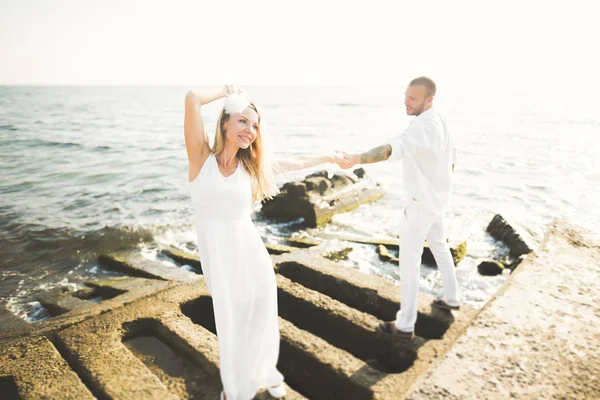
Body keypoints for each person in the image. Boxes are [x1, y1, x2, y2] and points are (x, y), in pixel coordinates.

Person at [184, 85, 349, 400]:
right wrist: (226, 92)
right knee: (232, 320)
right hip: (219, 256)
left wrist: (328, 156)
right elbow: (192, 98)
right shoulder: (201, 158)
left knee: (261, 314)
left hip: (251, 250)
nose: (250, 131)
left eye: (255, 125)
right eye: (243, 122)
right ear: (225, 124)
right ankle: (237, 391)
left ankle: (267, 375)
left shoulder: (250, 167)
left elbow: (294, 162)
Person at [340, 76, 461, 339]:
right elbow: (452, 163)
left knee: (409, 264)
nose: (406, 102)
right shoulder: (442, 121)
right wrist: (438, 191)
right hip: (438, 202)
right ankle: (452, 298)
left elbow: (388, 150)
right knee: (440, 247)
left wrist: (358, 158)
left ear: (429, 100)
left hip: (419, 206)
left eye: (413, 99)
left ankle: (405, 325)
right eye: (406, 96)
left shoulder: (420, 129)